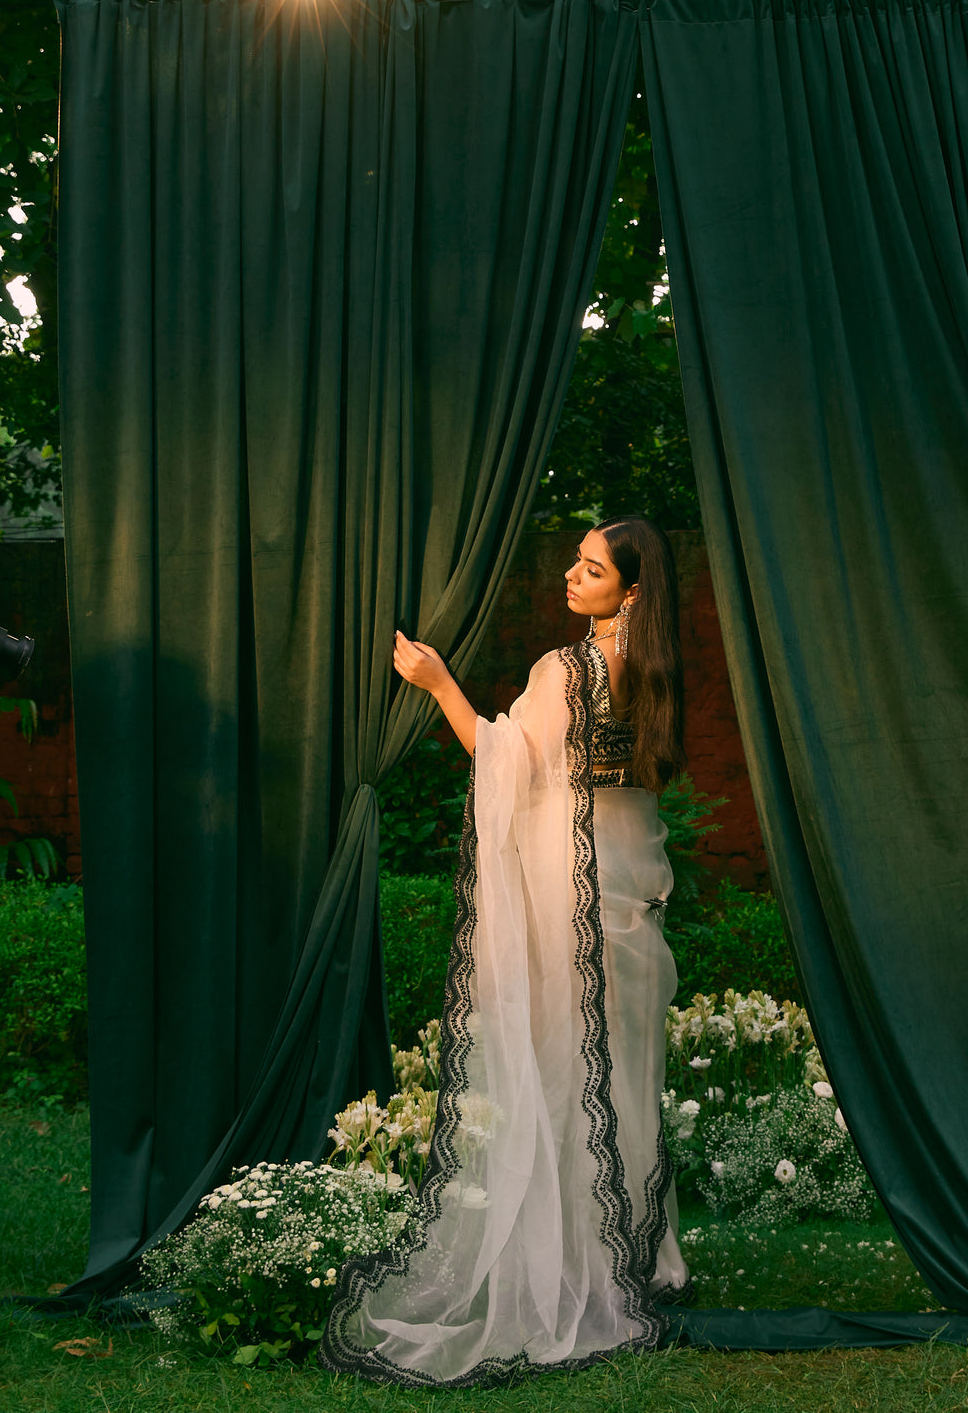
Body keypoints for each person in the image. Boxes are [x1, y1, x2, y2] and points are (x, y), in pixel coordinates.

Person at [322, 516, 692, 1386]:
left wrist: (438, 682)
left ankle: (574, 1266)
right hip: (633, 885)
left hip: (574, 887)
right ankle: (641, 1256)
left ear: (630, 590)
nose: (572, 574)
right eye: (577, 561)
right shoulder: (659, 669)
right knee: (627, 1073)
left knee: (566, 1071)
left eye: (592, 568)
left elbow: (506, 764)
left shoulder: (565, 671)